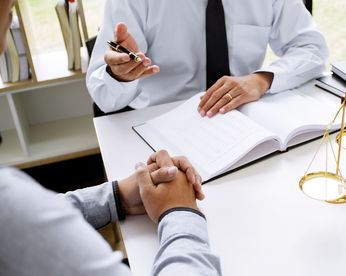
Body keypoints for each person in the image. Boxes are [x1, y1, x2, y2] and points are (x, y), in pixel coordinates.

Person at [0, 1, 221, 275]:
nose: (11, 24)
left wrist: (117, 196)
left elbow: (26, 221)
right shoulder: (9, 204)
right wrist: (179, 213)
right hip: (152, 126)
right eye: (8, 14)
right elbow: (18, 220)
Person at [87, 0, 328, 117]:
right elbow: (104, 95)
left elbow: (311, 47)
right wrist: (119, 76)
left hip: (241, 118)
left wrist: (261, 79)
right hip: (159, 121)